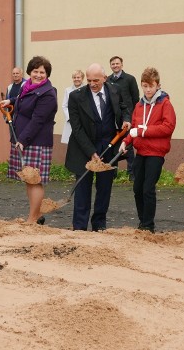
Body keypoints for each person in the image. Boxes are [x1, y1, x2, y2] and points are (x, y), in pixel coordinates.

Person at [66, 63, 131, 231]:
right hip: (83, 148)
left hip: (109, 147)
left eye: (96, 80)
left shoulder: (115, 90)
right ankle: (79, 227)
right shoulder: (75, 97)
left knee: (104, 189)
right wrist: (91, 152)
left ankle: (99, 225)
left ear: (105, 78)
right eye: (89, 80)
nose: (93, 84)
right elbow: (77, 128)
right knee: (82, 189)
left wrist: (126, 119)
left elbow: (125, 108)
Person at [0, 56, 58, 224]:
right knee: (28, 179)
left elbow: (38, 120)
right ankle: (36, 215)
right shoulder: (27, 86)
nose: (38, 75)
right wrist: (10, 100)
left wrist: (23, 139)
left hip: (36, 142)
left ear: (47, 74)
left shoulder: (48, 94)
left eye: (42, 72)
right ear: (29, 72)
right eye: (35, 71)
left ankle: (32, 218)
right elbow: (22, 100)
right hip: (25, 139)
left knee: (34, 180)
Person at [119, 67, 176, 233]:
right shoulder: (139, 105)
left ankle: (148, 225)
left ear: (158, 85)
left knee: (148, 188)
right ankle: (142, 221)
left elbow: (168, 127)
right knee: (137, 188)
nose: (148, 89)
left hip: (156, 153)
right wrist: (126, 141)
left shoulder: (165, 103)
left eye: (151, 86)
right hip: (141, 152)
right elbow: (135, 127)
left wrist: (144, 131)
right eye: (144, 86)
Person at [108, 56, 140, 180]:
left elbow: (135, 98)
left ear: (122, 65)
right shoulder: (108, 80)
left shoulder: (130, 79)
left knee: (128, 144)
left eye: (117, 63)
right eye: (113, 64)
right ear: (110, 66)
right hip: (114, 118)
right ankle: (113, 171)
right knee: (113, 143)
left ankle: (131, 172)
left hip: (128, 117)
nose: (115, 65)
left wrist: (132, 116)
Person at [60, 69, 84, 144]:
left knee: (82, 142)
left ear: (82, 78)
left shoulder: (87, 89)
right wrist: (70, 117)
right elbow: (64, 106)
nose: (76, 79)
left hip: (83, 121)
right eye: (74, 77)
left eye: (78, 77)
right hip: (71, 121)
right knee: (71, 143)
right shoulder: (68, 90)